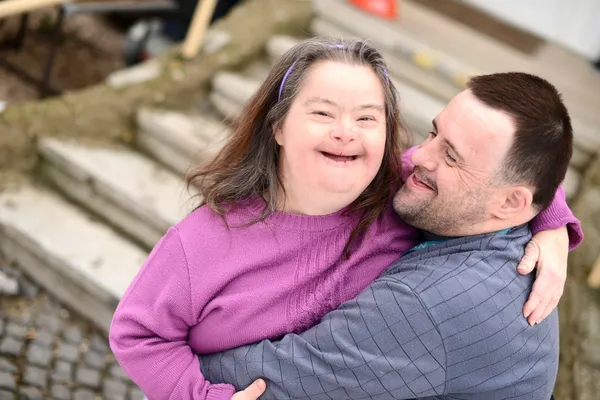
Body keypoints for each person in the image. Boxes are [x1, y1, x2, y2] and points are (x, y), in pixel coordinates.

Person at [108, 38, 581, 400]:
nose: (344, 132)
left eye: (367, 118)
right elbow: (138, 333)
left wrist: (550, 220)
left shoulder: (398, 187)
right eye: (322, 112)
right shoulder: (204, 241)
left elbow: (513, 167)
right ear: (278, 125)